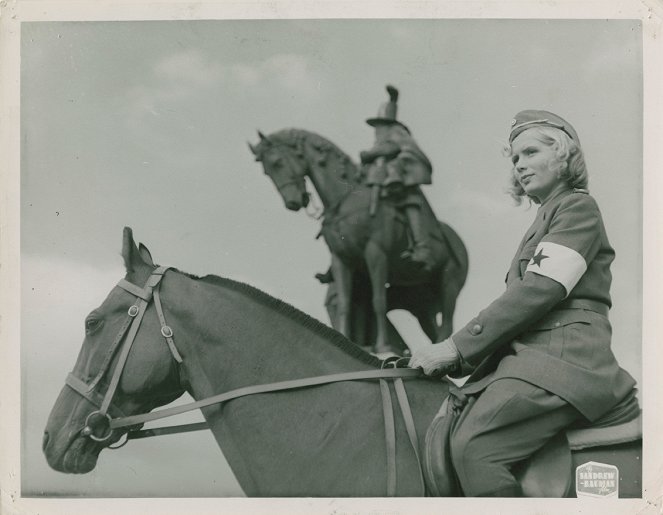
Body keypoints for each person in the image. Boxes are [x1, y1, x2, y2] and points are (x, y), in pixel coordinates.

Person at [408, 110, 638, 497]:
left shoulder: (577, 208)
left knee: (475, 447)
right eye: (515, 159)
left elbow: (539, 290)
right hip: (538, 360)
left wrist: (455, 347)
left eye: (530, 152)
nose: (519, 166)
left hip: (566, 362)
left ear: (563, 154)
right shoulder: (548, 215)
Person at [359, 85, 435, 269]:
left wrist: (376, 156)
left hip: (402, 184)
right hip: (378, 183)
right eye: (376, 126)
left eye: (380, 125)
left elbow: (398, 150)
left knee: (410, 205)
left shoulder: (397, 134)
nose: (377, 129)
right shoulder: (379, 141)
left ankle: (421, 248)